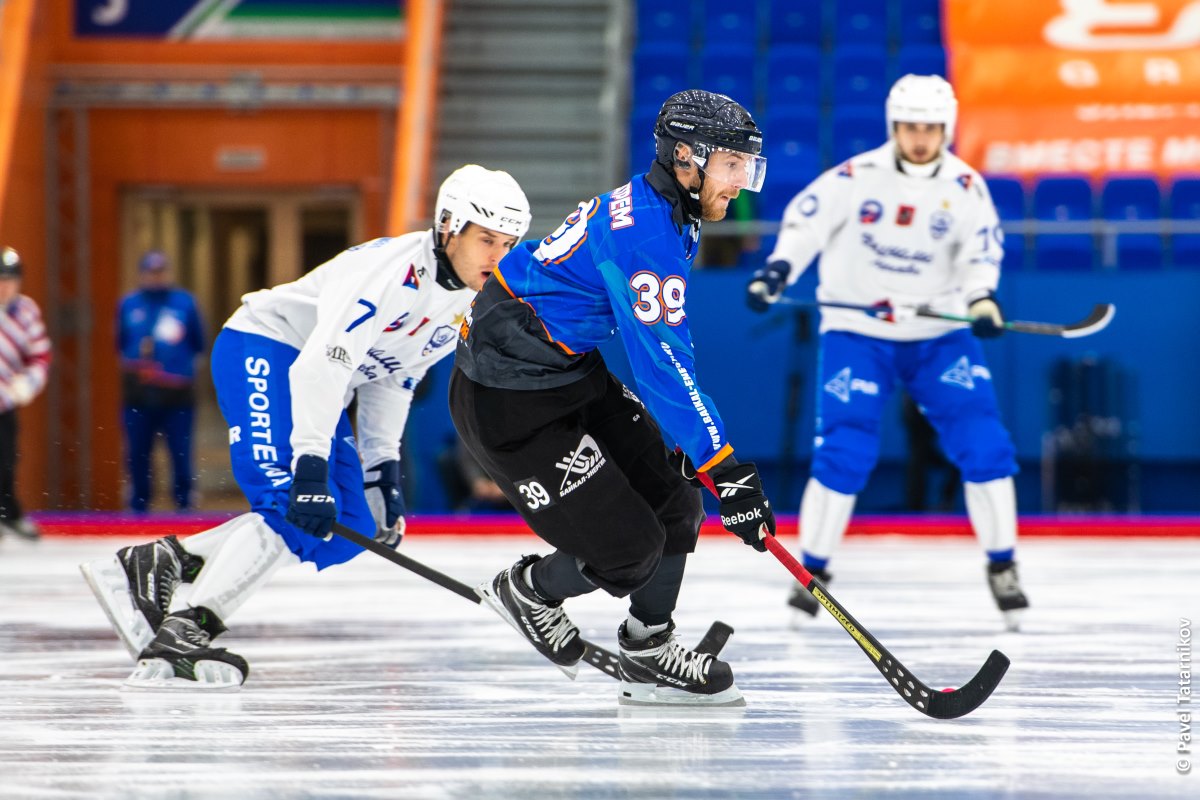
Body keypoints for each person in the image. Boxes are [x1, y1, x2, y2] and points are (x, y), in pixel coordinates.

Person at [80, 165, 531, 690]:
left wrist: (380, 470)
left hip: (319, 385)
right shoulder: (390, 273)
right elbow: (321, 366)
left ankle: (161, 562)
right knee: (289, 500)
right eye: (486, 240)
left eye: (509, 243)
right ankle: (190, 625)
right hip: (266, 349)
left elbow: (396, 378)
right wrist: (312, 468)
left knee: (355, 532)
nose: (498, 256)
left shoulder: (471, 298)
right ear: (449, 226)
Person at [450, 90, 775, 707]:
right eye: (733, 164)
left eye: (746, 165)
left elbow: (663, 351)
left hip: (568, 371)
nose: (743, 181)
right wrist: (725, 467)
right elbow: (661, 362)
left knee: (677, 500)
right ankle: (531, 590)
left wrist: (697, 451)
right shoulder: (648, 235)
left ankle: (648, 647)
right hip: (506, 397)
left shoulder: (672, 211)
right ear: (688, 156)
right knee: (629, 552)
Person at [745, 75, 1030, 630]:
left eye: (930, 128)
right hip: (858, 331)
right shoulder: (854, 178)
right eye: (909, 127)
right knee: (843, 450)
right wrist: (776, 273)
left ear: (945, 128)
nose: (920, 138)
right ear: (892, 126)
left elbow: (980, 254)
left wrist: (982, 300)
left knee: (985, 444)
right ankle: (813, 572)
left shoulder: (967, 187)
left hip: (940, 336)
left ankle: (1003, 565)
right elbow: (805, 224)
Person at [116, 251, 206, 511]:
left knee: (180, 450)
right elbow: (120, 344)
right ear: (142, 274)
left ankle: (185, 502)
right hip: (139, 394)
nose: (156, 277)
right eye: (150, 272)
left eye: (160, 272)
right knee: (137, 453)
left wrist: (179, 370)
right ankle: (139, 504)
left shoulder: (184, 303)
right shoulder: (129, 304)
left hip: (176, 395)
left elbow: (198, 343)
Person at [0, 247, 51, 541]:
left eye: (10, 280)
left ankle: (9, 513)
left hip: (7, 401)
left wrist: (27, 385)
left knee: (6, 458)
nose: (5, 286)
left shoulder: (26, 311)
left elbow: (40, 356)